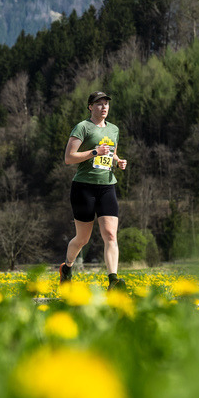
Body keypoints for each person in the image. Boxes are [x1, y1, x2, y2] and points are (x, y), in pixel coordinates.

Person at [58, 91, 128, 291]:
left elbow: (110, 152)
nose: (104, 107)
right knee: (83, 239)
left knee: (110, 235)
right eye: (99, 104)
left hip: (107, 186)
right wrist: (94, 152)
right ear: (90, 107)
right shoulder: (82, 127)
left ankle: (113, 280)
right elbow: (69, 157)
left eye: (106, 104)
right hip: (84, 187)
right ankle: (67, 268)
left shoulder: (113, 129)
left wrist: (118, 161)